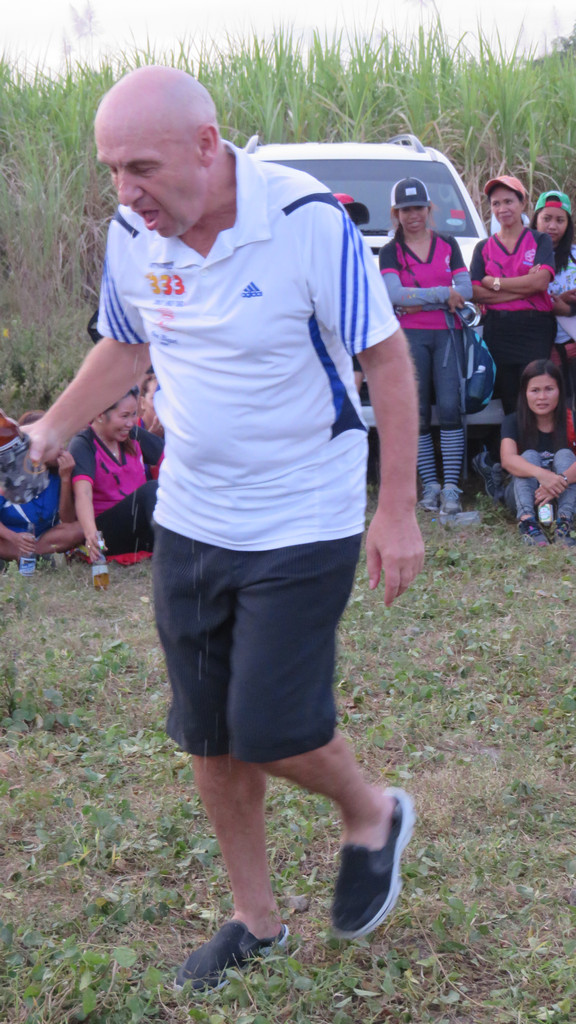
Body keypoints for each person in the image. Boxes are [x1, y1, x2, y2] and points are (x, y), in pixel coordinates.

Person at [26, 66, 424, 991]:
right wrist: (53, 427)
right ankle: (257, 922)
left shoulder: (305, 220)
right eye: (111, 170)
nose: (125, 191)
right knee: (209, 734)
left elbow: (387, 359)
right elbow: (127, 341)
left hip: (304, 510)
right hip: (194, 513)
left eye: (141, 167)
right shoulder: (134, 232)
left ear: (208, 146)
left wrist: (397, 508)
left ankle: (372, 812)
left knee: (271, 727)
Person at [379, 177, 472, 515]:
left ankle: (451, 486)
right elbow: (394, 295)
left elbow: (467, 289)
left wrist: (419, 300)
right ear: (396, 214)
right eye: (405, 210)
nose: (413, 215)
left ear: (429, 209)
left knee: (449, 407)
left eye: (418, 207)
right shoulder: (390, 251)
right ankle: (430, 485)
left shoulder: (448, 244)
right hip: (410, 337)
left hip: (447, 334)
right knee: (416, 411)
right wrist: (442, 294)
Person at [471, 176, 556, 497]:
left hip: (535, 329)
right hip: (500, 331)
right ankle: (513, 471)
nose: (502, 208)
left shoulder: (539, 240)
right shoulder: (484, 247)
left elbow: (541, 283)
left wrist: (495, 283)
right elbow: (474, 290)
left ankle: (541, 464)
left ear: (522, 203)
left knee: (536, 395)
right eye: (496, 203)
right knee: (510, 400)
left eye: (509, 201)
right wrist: (521, 286)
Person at [68, 388, 162, 562]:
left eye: (134, 415)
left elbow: (169, 458)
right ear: (100, 414)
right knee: (152, 490)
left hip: (138, 527)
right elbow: (83, 493)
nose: (131, 422)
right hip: (106, 534)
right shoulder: (83, 444)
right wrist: (92, 535)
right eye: (124, 416)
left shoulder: (132, 434)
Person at [501, 359, 576, 547]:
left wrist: (559, 481)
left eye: (549, 389)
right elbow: (507, 459)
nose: (542, 397)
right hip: (525, 495)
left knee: (565, 455)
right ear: (524, 393)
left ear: (560, 391)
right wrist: (542, 475)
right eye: (535, 390)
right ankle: (528, 524)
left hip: (566, 495)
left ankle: (564, 523)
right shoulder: (513, 421)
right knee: (528, 457)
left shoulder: (572, 419)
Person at [0, 411, 83, 565]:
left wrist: (65, 478)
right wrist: (14, 538)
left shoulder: (57, 473)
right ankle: (27, 556)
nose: (62, 448)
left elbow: (68, 520)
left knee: (79, 529)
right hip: (9, 540)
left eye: (61, 440)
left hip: (42, 539)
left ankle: (30, 556)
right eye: (54, 442)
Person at [531, 191, 576, 398]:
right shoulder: (525, 256)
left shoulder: (574, 256)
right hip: (535, 346)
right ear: (536, 220)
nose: (552, 226)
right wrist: (553, 305)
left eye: (560, 220)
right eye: (546, 218)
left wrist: (567, 308)